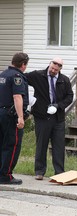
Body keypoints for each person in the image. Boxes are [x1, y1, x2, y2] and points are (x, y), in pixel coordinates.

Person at [25, 57, 73, 180]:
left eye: (56, 70)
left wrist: (59, 106)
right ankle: (40, 171)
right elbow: (22, 78)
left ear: (60, 69)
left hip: (58, 117)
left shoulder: (64, 80)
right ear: (49, 64)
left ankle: (59, 172)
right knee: (41, 144)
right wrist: (29, 99)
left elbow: (69, 97)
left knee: (58, 145)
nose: (53, 71)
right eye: (52, 68)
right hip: (42, 115)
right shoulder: (38, 75)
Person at [0, 52, 30, 184]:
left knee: (1, 144)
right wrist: (21, 117)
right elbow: (17, 97)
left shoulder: (3, 74)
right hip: (10, 116)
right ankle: (6, 175)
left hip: (1, 112)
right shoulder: (17, 76)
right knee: (12, 145)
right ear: (23, 64)